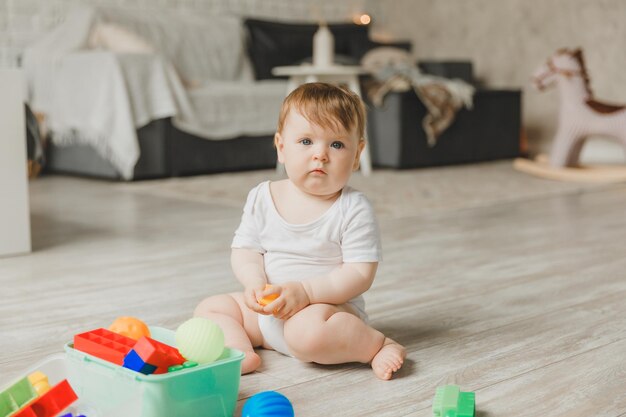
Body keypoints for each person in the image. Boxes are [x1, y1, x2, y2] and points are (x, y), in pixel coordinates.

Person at [194, 82, 405, 380]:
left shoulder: (352, 208)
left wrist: (306, 293)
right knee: (212, 308)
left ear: (357, 154)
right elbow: (246, 250)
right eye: (306, 141)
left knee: (307, 335)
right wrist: (254, 282)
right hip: (268, 312)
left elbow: (359, 274)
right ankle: (240, 353)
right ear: (281, 147)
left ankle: (376, 344)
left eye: (336, 144)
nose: (320, 154)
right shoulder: (262, 196)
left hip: (323, 311)